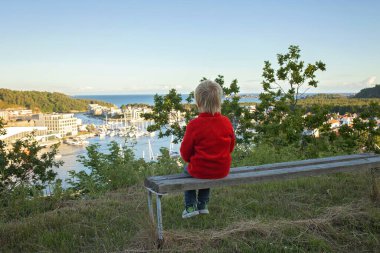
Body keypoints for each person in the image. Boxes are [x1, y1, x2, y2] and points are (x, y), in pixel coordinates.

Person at [180, 80, 235, 218]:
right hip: (222, 169)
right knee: (207, 169)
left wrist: (190, 160)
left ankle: (190, 207)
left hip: (201, 169)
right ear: (218, 101)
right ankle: (203, 204)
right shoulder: (226, 122)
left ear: (198, 103)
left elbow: (185, 153)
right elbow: (231, 146)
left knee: (188, 170)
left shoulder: (194, 125)